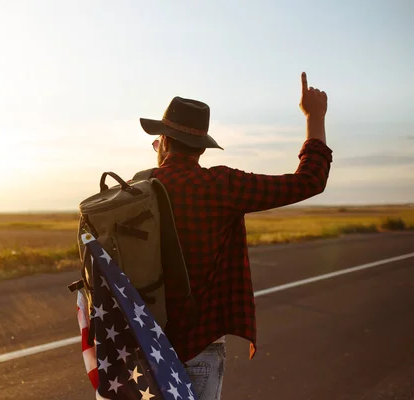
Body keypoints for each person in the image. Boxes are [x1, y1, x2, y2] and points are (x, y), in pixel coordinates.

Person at [138, 72, 332, 399]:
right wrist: (315, 117)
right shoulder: (223, 186)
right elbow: (309, 180)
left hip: (146, 349)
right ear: (201, 149)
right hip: (200, 350)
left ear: (165, 142)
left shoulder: (139, 190)